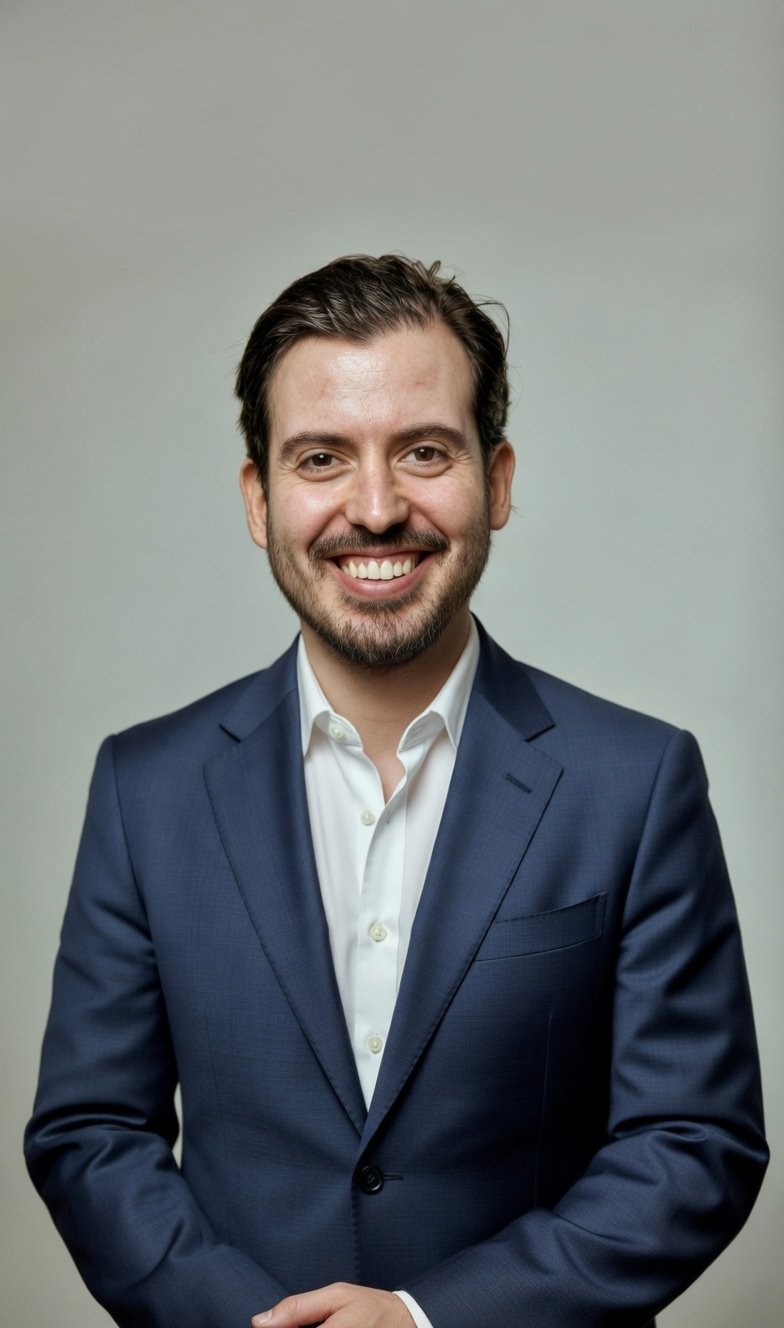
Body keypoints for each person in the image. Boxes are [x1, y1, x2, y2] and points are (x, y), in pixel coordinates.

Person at [25, 255, 767, 1328]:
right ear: (258, 497)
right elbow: (90, 1132)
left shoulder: (636, 781)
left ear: (497, 480)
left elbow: (694, 1142)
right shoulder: (146, 787)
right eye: (321, 457)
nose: (375, 508)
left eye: (423, 451)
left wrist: (429, 1318)